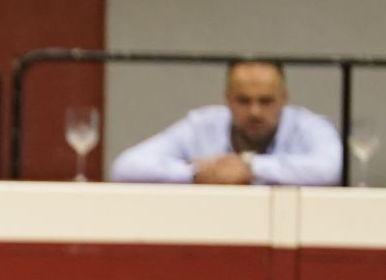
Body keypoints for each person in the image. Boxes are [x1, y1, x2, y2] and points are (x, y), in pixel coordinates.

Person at [110, 60, 341, 186]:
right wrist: (196, 174)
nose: (255, 111)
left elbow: (329, 170)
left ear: (284, 99)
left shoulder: (309, 126)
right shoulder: (201, 125)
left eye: (266, 101)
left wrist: (249, 166)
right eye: (243, 101)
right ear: (227, 99)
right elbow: (125, 167)